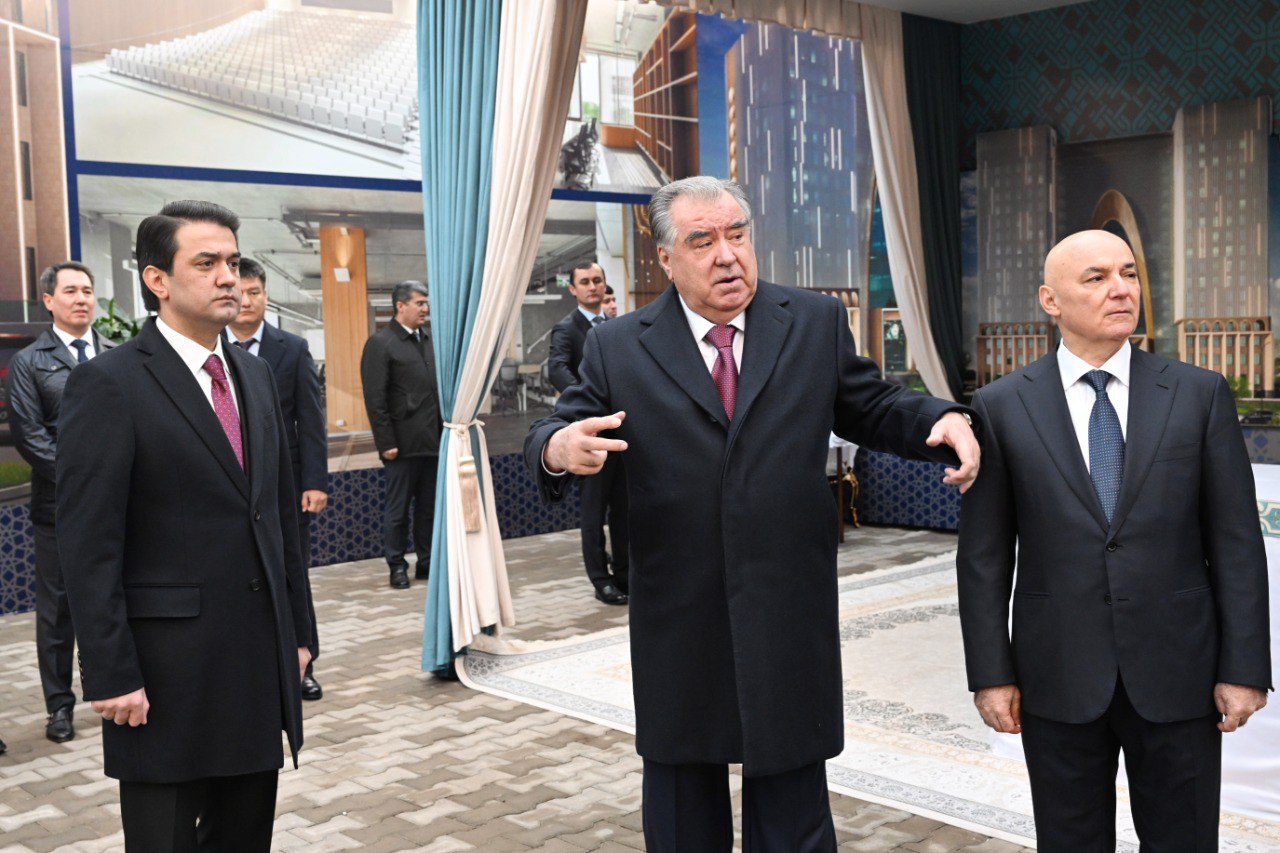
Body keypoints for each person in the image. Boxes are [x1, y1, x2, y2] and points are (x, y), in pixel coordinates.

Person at [525, 176, 980, 851]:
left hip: (785, 601)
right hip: (680, 611)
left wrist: (941, 417)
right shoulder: (619, 346)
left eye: (737, 234)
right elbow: (556, 428)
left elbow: (871, 404)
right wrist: (560, 447)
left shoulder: (812, 322)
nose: (727, 255)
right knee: (683, 806)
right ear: (665, 257)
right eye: (702, 241)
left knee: (793, 805)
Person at [956, 230, 1271, 852]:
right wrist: (991, 674)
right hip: (1057, 673)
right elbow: (984, 559)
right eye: (1096, 278)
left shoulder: (1198, 393)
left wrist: (1244, 668)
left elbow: (1237, 542)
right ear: (1051, 300)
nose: (1122, 289)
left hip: (1179, 670)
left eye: (1128, 273)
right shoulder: (1001, 406)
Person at [56, 200, 312, 851]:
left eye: (233, 261)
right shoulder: (109, 383)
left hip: (254, 665)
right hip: (164, 676)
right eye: (206, 262)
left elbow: (278, 517)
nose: (228, 276)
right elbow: (88, 545)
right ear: (158, 280)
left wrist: (298, 633)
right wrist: (110, 671)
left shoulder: (254, 373)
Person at [5, 262, 112, 744]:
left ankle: (112, 690)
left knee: (115, 598)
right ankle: (59, 708)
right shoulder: (30, 362)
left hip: (118, 505)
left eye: (87, 290)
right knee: (57, 612)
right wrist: (85, 482)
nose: (81, 299)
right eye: (70, 291)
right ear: (49, 300)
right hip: (59, 508)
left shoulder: (115, 354)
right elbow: (29, 435)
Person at [227, 257, 328, 702]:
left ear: (266, 296)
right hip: (231, 487)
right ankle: (251, 665)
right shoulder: (213, 349)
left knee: (292, 575)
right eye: (241, 293)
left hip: (285, 488)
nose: (247, 301)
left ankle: (303, 663)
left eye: (255, 292)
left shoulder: (293, 348)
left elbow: (311, 420)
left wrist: (315, 481)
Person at [548, 261, 628, 605]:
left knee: (624, 508)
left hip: (621, 430)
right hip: (588, 432)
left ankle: (625, 573)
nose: (592, 286)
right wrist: (587, 396)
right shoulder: (566, 329)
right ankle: (601, 579)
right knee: (593, 512)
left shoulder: (617, 326)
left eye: (597, 280)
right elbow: (555, 369)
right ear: (573, 289)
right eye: (585, 282)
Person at [360, 280, 442, 590]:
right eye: (420, 303)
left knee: (428, 509)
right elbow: (375, 399)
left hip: (432, 443)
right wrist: (386, 443)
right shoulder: (381, 344)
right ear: (400, 306)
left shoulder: (429, 340)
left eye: (426, 303)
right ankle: (396, 565)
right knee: (397, 511)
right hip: (401, 446)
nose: (425, 309)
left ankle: (426, 562)